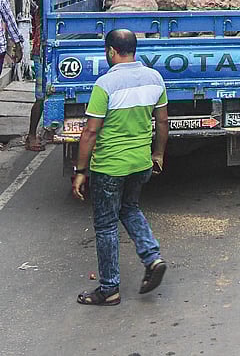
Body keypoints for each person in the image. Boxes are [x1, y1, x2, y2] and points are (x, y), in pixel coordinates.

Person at [71, 29, 168, 306]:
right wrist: (158, 154)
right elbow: (162, 122)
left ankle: (109, 288)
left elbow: (90, 132)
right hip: (140, 163)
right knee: (130, 208)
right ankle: (152, 259)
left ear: (111, 51)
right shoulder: (155, 78)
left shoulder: (106, 84)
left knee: (105, 225)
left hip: (110, 167)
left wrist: (80, 170)